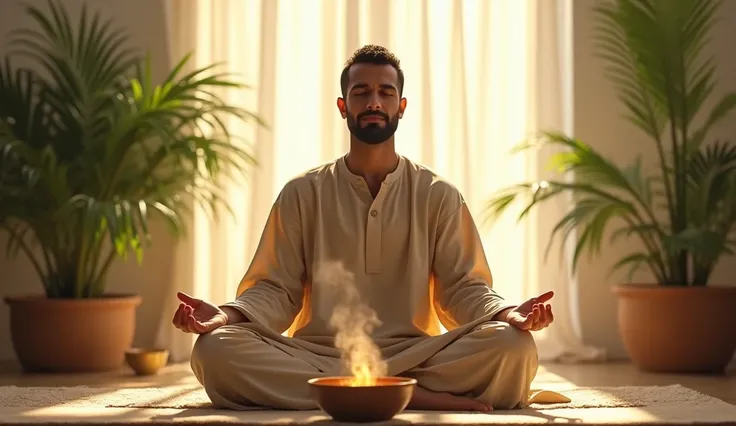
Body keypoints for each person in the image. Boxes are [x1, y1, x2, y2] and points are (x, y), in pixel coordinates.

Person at [172, 45, 555, 413]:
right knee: (214, 350)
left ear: (401, 107)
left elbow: (462, 289)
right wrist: (226, 315)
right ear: (343, 106)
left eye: (386, 93)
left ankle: (355, 391)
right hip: (318, 355)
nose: (374, 102)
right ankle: (409, 395)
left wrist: (506, 314)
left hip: (415, 355)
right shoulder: (302, 193)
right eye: (362, 92)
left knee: (514, 347)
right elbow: (276, 290)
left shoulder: (438, 194)